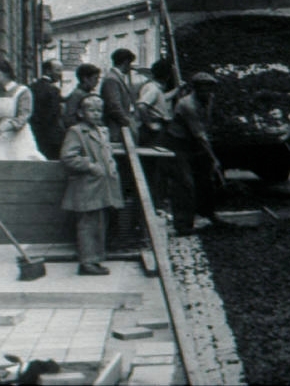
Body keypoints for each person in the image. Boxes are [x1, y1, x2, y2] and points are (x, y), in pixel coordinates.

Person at [59, 95, 124, 276]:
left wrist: (111, 167)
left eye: (99, 110)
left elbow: (107, 152)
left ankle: (95, 259)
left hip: (101, 185)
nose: (96, 114)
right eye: (91, 110)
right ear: (81, 113)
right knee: (88, 224)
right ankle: (87, 262)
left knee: (99, 224)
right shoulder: (76, 132)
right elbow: (68, 157)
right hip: (86, 186)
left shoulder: (102, 131)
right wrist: (90, 166)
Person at [166, 72, 225, 235]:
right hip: (179, 144)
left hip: (195, 144)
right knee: (185, 183)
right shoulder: (187, 105)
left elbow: (205, 125)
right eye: (203, 89)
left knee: (206, 179)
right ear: (195, 89)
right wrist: (214, 159)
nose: (207, 92)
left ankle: (207, 213)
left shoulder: (209, 99)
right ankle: (182, 224)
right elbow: (199, 135)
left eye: (209, 89)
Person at [136, 60, 182, 210]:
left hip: (155, 129)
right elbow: (142, 105)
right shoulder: (153, 89)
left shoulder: (154, 88)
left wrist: (177, 90)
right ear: (167, 76)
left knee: (156, 167)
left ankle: (154, 202)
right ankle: (154, 203)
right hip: (153, 132)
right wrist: (150, 123)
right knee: (155, 168)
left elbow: (162, 98)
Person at [0, 60, 46, 161]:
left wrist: (7, 126)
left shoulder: (22, 91)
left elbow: (24, 115)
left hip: (19, 137)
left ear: (7, 74)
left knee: (20, 162)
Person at [30, 59, 66, 160]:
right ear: (48, 71)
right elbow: (54, 115)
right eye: (58, 70)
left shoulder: (32, 87)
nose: (60, 74)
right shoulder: (53, 90)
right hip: (51, 137)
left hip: (35, 133)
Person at [101, 48, 138, 143]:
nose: (130, 67)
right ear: (126, 62)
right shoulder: (112, 79)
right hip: (116, 128)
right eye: (130, 64)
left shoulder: (116, 77)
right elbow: (114, 105)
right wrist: (127, 122)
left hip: (119, 126)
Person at [63, 64, 102, 129]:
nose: (97, 81)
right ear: (85, 79)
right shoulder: (76, 95)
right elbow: (69, 119)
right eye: (95, 78)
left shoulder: (86, 94)